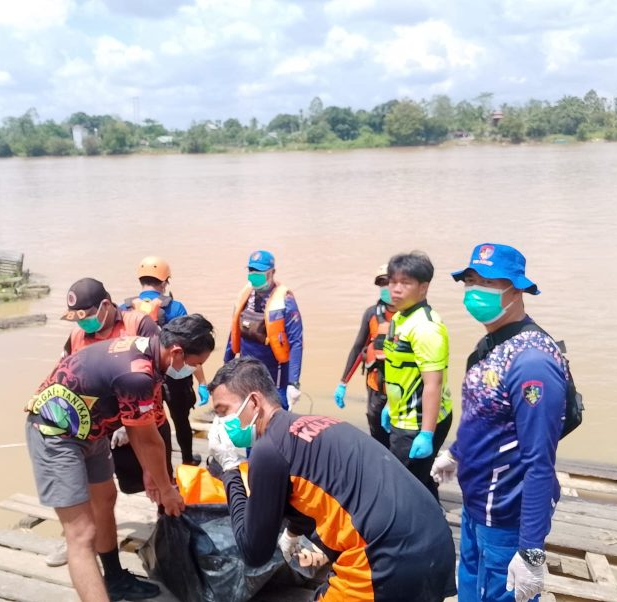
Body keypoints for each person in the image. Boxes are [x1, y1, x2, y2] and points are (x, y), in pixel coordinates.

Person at [206, 357, 456, 602]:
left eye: (223, 412)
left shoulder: (268, 449)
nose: (220, 423)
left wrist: (229, 469)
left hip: (387, 559)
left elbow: (253, 551)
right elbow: (319, 486)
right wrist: (293, 531)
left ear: (253, 402)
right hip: (434, 542)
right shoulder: (319, 423)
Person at [25, 315, 215, 602]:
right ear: (177, 352)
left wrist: (152, 472)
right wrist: (167, 490)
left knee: (105, 499)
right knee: (81, 534)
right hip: (55, 431)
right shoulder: (137, 374)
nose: (194, 370)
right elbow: (145, 438)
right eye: (195, 364)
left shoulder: (149, 354)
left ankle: (113, 578)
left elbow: (146, 425)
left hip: (91, 430)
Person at [431, 243, 568, 602]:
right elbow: (485, 415)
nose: (477, 290)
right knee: (471, 592)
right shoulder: (491, 343)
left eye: (490, 282)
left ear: (518, 288)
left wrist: (532, 553)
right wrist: (456, 453)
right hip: (477, 505)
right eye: (471, 280)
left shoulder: (532, 362)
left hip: (508, 518)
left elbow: (540, 462)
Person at [45, 277, 167, 572]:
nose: (83, 323)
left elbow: (156, 374)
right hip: (98, 422)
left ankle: (170, 535)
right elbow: (64, 378)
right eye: (78, 318)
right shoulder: (76, 336)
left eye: (87, 316)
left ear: (106, 305)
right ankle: (77, 537)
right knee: (92, 488)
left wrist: (133, 423)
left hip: (142, 415)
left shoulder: (139, 324)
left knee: (159, 480)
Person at [122, 256, 209, 466]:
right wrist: (203, 383)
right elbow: (189, 348)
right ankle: (188, 460)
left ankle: (160, 466)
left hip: (141, 378)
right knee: (181, 422)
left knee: (152, 423)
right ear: (164, 282)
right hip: (175, 377)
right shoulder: (175, 308)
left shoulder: (124, 308)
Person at [381, 251, 453, 500]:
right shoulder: (401, 317)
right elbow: (399, 370)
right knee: (418, 483)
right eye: (392, 281)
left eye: (405, 283)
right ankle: (435, 527)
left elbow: (433, 384)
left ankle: (412, 535)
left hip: (417, 422)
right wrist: (390, 406)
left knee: (402, 489)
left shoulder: (426, 328)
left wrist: (426, 433)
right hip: (402, 414)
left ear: (424, 287)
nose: (396, 289)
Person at [224, 250, 303, 410]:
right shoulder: (244, 295)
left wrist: (293, 382)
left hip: (275, 370)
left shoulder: (285, 301)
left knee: (276, 410)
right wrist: (227, 363)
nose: (254, 275)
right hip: (246, 366)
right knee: (247, 408)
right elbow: (233, 332)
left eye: (259, 271)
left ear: (272, 272)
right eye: (251, 271)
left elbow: (296, 342)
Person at [334, 263, 395, 447]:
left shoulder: (409, 315)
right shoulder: (371, 314)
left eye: (389, 282)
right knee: (377, 434)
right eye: (381, 283)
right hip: (375, 386)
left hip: (401, 390)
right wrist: (343, 382)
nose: (386, 287)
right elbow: (358, 348)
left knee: (399, 441)